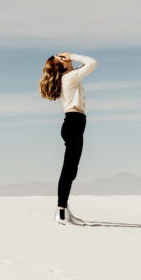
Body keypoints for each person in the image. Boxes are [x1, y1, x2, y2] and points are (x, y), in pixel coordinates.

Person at [38, 51, 98, 225]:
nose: (66, 57)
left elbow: (85, 66)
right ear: (63, 64)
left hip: (74, 124)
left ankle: (64, 211)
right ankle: (61, 213)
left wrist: (70, 62)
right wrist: (73, 55)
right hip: (74, 124)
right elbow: (92, 62)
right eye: (62, 57)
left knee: (71, 170)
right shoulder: (69, 78)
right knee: (69, 170)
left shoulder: (70, 76)